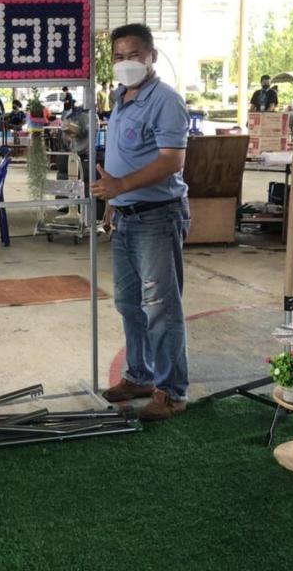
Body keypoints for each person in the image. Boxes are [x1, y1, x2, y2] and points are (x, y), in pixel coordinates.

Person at [90, 24, 190, 421]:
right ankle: (139, 375)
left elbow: (172, 160)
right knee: (129, 303)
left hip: (156, 217)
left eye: (133, 55)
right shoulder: (121, 98)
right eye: (118, 57)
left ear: (151, 57)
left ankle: (172, 392)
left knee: (160, 307)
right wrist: (113, 203)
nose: (125, 63)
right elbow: (123, 159)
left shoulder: (165, 100)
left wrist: (121, 186)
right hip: (126, 217)